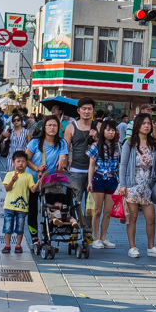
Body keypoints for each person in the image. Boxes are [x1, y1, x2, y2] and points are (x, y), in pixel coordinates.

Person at [117, 113, 156, 259]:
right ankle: (132, 247)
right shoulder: (129, 143)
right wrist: (123, 184)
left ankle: (151, 247)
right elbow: (123, 164)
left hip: (148, 185)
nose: (146, 126)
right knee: (132, 217)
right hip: (132, 184)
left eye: (148, 123)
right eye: (143, 123)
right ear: (137, 125)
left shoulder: (154, 143)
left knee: (151, 218)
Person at [25, 115, 69, 244]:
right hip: (33, 180)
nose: (52, 128)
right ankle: (34, 237)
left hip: (50, 182)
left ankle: (47, 234)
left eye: (55, 125)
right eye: (49, 125)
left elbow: (63, 156)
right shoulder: (35, 142)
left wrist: (62, 160)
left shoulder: (61, 143)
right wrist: (37, 167)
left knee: (51, 207)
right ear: (44, 127)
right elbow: (26, 159)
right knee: (32, 209)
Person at [64, 97, 95, 241]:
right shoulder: (71, 126)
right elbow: (65, 148)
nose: (87, 111)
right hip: (75, 171)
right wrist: (64, 162)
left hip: (93, 172)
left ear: (93, 111)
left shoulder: (98, 127)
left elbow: (103, 148)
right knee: (75, 203)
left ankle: (88, 232)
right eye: (84, 109)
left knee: (90, 206)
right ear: (79, 111)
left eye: (89, 109)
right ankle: (74, 230)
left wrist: (97, 138)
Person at [87, 120, 121, 249]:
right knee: (97, 211)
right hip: (99, 178)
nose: (110, 132)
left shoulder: (118, 146)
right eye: (108, 130)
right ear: (103, 132)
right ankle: (95, 238)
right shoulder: (96, 146)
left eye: (112, 130)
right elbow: (91, 165)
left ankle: (103, 238)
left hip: (112, 180)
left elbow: (120, 164)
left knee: (107, 212)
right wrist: (89, 181)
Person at [2, 150, 36, 254]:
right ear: (13, 163)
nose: (21, 163)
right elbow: (7, 188)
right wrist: (13, 180)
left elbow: (33, 190)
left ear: (26, 163)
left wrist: (40, 180)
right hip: (9, 206)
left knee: (20, 227)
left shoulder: (28, 176)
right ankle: (7, 245)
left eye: (23, 161)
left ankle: (18, 245)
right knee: (8, 227)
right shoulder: (9, 174)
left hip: (22, 207)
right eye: (18, 161)